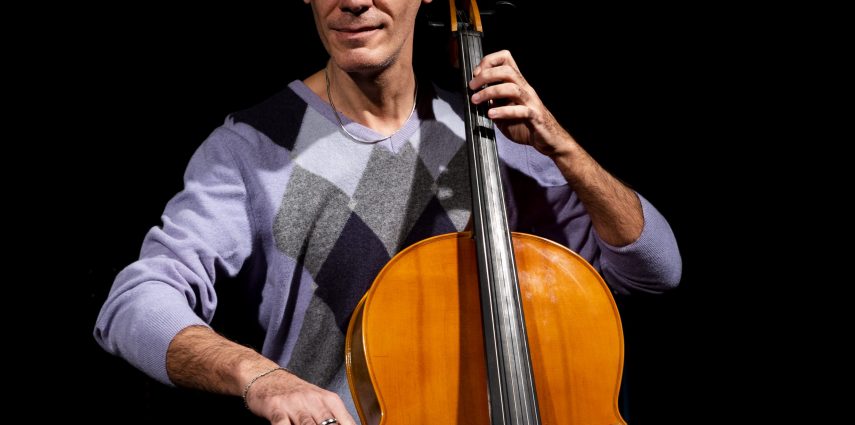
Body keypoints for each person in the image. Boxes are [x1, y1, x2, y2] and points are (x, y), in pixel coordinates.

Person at [94, 0, 681, 424]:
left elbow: (656, 271)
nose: (354, 2)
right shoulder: (250, 148)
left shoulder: (493, 136)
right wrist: (260, 377)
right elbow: (134, 302)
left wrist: (563, 148)